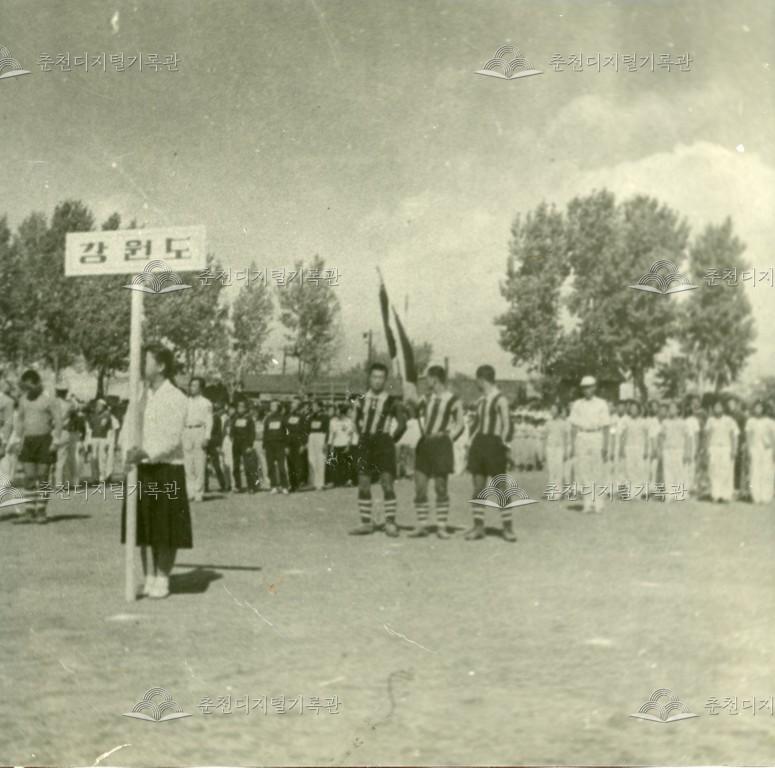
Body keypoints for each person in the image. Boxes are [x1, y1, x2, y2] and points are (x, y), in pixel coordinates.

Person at [122, 343, 192, 599]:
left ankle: (163, 576)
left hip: (166, 468)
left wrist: (146, 452)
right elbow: (127, 427)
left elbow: (172, 438)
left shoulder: (176, 397)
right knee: (142, 526)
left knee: (166, 527)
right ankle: (149, 575)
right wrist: (126, 455)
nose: (140, 366)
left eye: (146, 361)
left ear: (161, 366)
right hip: (140, 468)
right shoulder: (139, 394)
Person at [349, 363, 407, 537]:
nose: (377, 381)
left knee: (387, 483)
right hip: (366, 443)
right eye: (374, 377)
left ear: (385, 380)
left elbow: (402, 425)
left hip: (384, 443)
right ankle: (366, 523)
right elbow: (355, 422)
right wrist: (363, 437)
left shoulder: (392, 401)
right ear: (369, 378)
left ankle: (390, 523)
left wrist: (390, 440)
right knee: (363, 483)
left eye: (381, 377)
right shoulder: (360, 400)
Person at [408, 365, 464, 538]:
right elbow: (412, 409)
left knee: (441, 487)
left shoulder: (453, 399)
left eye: (427, 378)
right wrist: (409, 401)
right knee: (420, 486)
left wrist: (448, 438)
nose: (426, 382)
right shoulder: (426, 398)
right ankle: (422, 525)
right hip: (425, 443)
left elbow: (461, 424)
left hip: (441, 445)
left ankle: (441, 526)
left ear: (434, 379)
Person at [464, 364, 513, 541]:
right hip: (479, 444)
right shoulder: (480, 401)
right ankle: (478, 527)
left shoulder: (500, 400)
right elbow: (476, 426)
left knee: (500, 487)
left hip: (494, 444)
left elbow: (507, 425)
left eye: (477, 380)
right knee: (478, 487)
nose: (476, 384)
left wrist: (504, 446)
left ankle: (507, 528)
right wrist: (469, 444)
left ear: (482, 380)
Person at [11, 370, 62, 524]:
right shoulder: (23, 400)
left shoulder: (49, 399)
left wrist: (56, 441)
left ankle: (41, 511)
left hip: (44, 441)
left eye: (30, 387)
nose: (27, 390)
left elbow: (58, 421)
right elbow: (20, 420)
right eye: (25, 387)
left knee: (43, 476)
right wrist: (17, 439)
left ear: (37, 384)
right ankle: (29, 511)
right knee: (29, 477)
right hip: (28, 441)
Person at [568, 376, 611, 514]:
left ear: (595, 387)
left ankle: (598, 503)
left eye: (589, 387)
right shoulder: (577, 404)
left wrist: (605, 446)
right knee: (584, 471)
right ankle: (587, 503)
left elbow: (606, 426)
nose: (587, 390)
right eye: (584, 388)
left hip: (596, 436)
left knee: (597, 470)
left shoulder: (602, 404)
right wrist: (572, 445)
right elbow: (573, 426)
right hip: (582, 436)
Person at [183, 377, 213, 503]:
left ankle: (199, 492)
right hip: (186, 431)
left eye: (195, 385)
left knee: (199, 463)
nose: (192, 388)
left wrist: (207, 437)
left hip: (199, 430)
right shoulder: (185, 402)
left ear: (201, 388)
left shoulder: (206, 403)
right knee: (188, 464)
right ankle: (190, 492)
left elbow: (209, 421)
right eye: (191, 385)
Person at [705, 400, 739, 502]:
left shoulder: (729, 420)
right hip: (713, 448)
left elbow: (734, 435)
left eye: (719, 407)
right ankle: (715, 495)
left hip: (726, 448)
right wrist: (707, 449)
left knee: (726, 471)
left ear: (723, 408)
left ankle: (725, 495)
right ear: (713, 409)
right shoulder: (710, 420)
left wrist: (734, 449)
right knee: (714, 471)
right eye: (716, 407)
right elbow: (707, 436)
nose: (718, 409)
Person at [658, 401, 689, 503]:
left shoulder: (682, 422)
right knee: (668, 472)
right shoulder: (665, 422)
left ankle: (679, 495)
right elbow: (661, 437)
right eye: (670, 408)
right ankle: (669, 495)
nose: (671, 410)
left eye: (673, 408)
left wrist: (687, 452)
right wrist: (660, 450)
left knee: (679, 472)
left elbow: (687, 438)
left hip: (679, 450)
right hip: (667, 450)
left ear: (678, 410)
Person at [746, 401, 774, 504]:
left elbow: (773, 437)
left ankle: (766, 496)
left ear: (763, 409)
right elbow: (748, 436)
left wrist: (774, 450)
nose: (758, 409)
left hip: (767, 450)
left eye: (760, 407)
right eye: (756, 407)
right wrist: (749, 449)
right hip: (755, 449)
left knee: (767, 472)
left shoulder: (770, 422)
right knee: (755, 471)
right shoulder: (750, 421)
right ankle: (756, 496)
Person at [621, 401, 649, 498]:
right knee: (629, 470)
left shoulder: (643, 421)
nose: (633, 410)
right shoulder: (626, 421)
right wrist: (622, 448)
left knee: (639, 470)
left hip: (640, 447)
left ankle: (638, 493)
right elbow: (623, 435)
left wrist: (646, 449)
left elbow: (646, 436)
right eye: (632, 409)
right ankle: (630, 492)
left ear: (638, 410)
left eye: (635, 409)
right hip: (629, 447)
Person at [231, 399, 258, 493]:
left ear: (246, 408)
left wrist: (250, 445)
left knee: (248, 466)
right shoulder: (235, 418)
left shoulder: (249, 419)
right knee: (236, 466)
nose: (240, 408)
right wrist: (232, 437)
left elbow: (252, 433)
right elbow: (232, 430)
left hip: (245, 444)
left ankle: (251, 486)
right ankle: (238, 486)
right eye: (238, 407)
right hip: (236, 444)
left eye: (242, 407)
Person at [262, 399, 289, 494]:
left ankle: (284, 486)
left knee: (281, 466)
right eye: (271, 405)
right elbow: (265, 432)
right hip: (269, 445)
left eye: (274, 405)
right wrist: (264, 445)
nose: (272, 407)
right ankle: (273, 486)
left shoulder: (283, 418)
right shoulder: (268, 419)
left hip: (280, 445)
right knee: (270, 466)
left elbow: (287, 432)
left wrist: (286, 445)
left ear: (278, 407)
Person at [543, 402, 569, 499]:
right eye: (551, 409)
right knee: (551, 470)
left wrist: (565, 451)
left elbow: (566, 438)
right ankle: (551, 492)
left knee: (559, 470)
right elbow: (545, 437)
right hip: (550, 448)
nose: (552, 411)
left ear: (558, 411)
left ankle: (558, 493)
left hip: (559, 448)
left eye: (554, 409)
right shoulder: (548, 423)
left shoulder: (563, 423)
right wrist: (544, 449)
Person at [86, 398, 114, 483]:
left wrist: (108, 441)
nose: (97, 407)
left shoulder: (106, 414)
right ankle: (95, 477)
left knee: (102, 458)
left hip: (103, 438)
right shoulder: (94, 415)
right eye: (97, 405)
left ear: (103, 406)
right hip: (94, 438)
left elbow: (105, 426)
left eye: (99, 405)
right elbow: (90, 427)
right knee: (94, 458)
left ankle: (102, 477)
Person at [327, 403, 355, 486]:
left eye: (338, 410)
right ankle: (334, 481)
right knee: (333, 463)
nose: (337, 412)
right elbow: (332, 434)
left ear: (342, 412)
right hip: (335, 445)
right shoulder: (333, 421)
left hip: (345, 444)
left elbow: (351, 435)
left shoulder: (349, 421)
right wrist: (331, 446)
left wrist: (348, 446)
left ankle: (348, 480)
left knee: (347, 463)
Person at [205, 400, 228, 494]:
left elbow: (219, 433)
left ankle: (223, 485)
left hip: (213, 444)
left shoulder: (216, 418)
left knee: (216, 465)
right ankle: (205, 486)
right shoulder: (204, 418)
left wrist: (218, 445)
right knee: (204, 466)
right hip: (205, 443)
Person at [284, 397, 307, 492]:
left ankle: (298, 484)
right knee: (290, 464)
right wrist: (285, 445)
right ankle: (292, 485)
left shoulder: (302, 417)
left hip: (298, 442)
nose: (294, 405)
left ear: (299, 406)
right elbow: (284, 430)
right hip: (289, 442)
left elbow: (304, 431)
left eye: (296, 404)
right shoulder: (287, 416)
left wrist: (303, 444)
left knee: (298, 464)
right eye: (293, 403)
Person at [306, 400, 329, 491]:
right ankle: (313, 482)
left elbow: (327, 430)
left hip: (321, 437)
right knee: (311, 459)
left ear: (320, 407)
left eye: (315, 406)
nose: (313, 408)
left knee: (320, 459)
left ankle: (320, 483)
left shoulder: (325, 417)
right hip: (312, 437)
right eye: (313, 406)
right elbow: (308, 429)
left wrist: (326, 442)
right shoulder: (311, 417)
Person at [683, 397, 703, 497]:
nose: (693, 406)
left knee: (692, 466)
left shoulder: (695, 420)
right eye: (692, 404)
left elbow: (697, 434)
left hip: (693, 444)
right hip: (683, 444)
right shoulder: (683, 420)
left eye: (696, 403)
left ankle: (691, 487)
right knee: (684, 466)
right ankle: (685, 487)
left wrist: (697, 447)